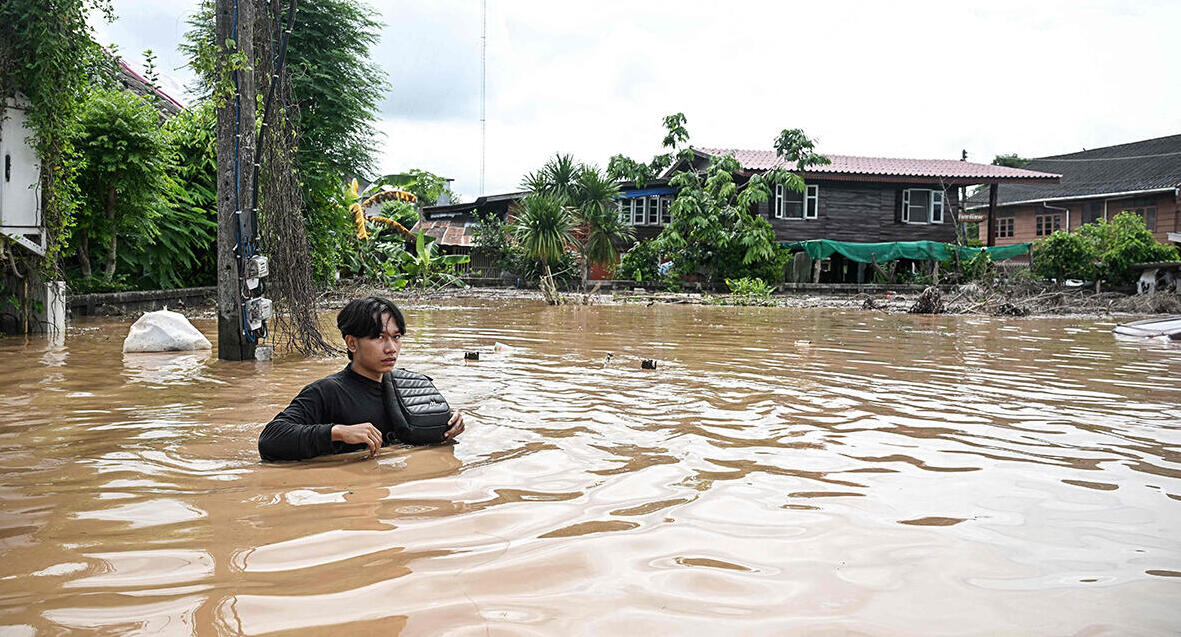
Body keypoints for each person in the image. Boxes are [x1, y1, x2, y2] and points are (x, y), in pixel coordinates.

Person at [258, 296, 465, 461]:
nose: (391, 348)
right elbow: (270, 439)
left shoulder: (411, 386)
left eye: (396, 337)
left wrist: (451, 425)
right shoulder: (327, 391)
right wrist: (337, 432)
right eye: (379, 337)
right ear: (352, 343)